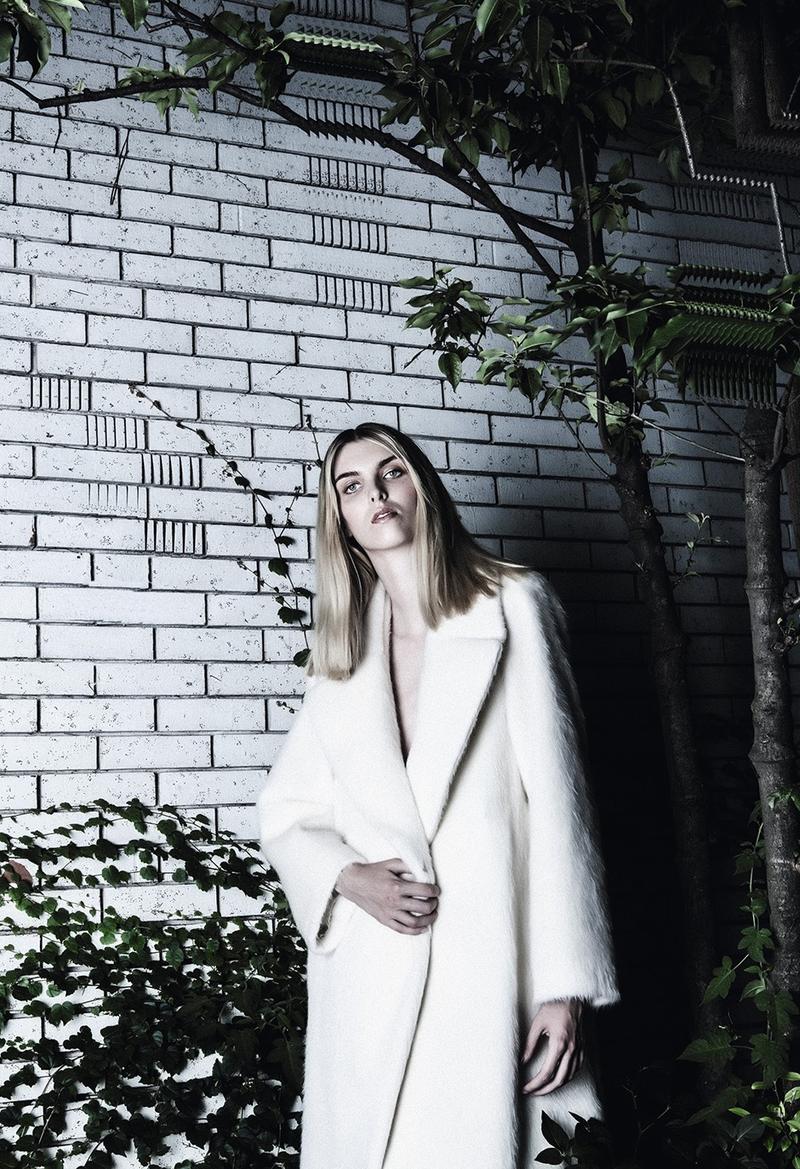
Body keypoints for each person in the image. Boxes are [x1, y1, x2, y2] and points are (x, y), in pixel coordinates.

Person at [256, 422, 621, 1169]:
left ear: (422, 486)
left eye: (390, 472)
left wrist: (566, 988)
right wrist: (346, 877)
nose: (375, 493)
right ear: (341, 520)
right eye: (350, 486)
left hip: (489, 966)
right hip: (371, 977)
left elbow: (564, 809)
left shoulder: (513, 604)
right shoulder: (341, 650)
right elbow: (287, 814)